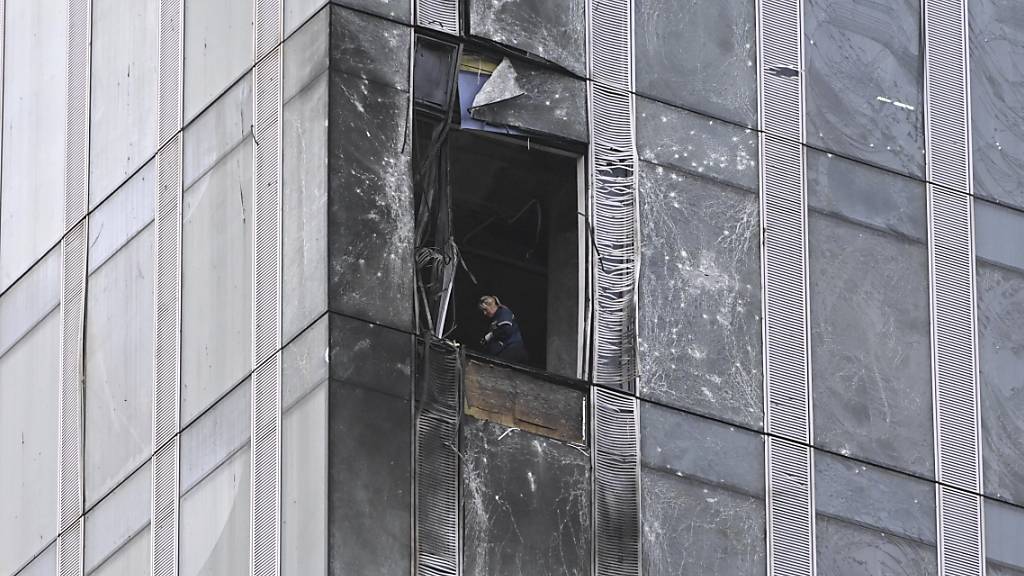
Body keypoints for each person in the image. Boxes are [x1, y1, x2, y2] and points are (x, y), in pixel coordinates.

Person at [478, 295, 529, 364]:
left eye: (485, 310)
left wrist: (492, 334)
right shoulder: (495, 318)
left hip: (512, 350)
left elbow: (506, 329)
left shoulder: (503, 312)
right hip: (504, 352)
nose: (484, 313)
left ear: (492, 305)